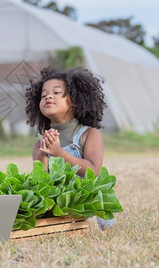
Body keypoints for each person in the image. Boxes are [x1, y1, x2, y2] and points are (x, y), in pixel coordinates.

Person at [25, 66, 114, 228]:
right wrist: (44, 154)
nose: (48, 96)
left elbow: (92, 171)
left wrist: (59, 153)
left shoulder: (89, 134)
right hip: (60, 207)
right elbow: (40, 182)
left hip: (88, 204)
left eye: (56, 92)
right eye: (43, 95)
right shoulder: (39, 144)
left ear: (74, 99)